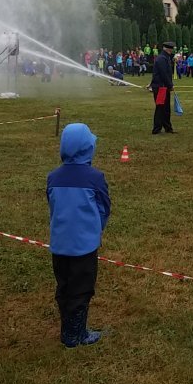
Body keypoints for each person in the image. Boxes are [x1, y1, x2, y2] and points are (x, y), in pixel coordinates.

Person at [47, 123, 110, 348]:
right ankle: (76, 335)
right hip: (84, 248)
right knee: (81, 290)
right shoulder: (95, 178)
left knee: (64, 286)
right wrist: (95, 229)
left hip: (59, 245)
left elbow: (52, 206)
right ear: (88, 148)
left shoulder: (53, 177)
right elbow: (104, 207)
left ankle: (68, 329)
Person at [150, 41, 175, 134]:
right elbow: (164, 74)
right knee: (160, 108)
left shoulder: (164, 58)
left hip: (163, 87)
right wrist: (170, 85)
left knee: (166, 108)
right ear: (169, 49)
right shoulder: (162, 59)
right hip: (161, 87)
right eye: (171, 49)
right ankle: (156, 129)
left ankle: (168, 127)